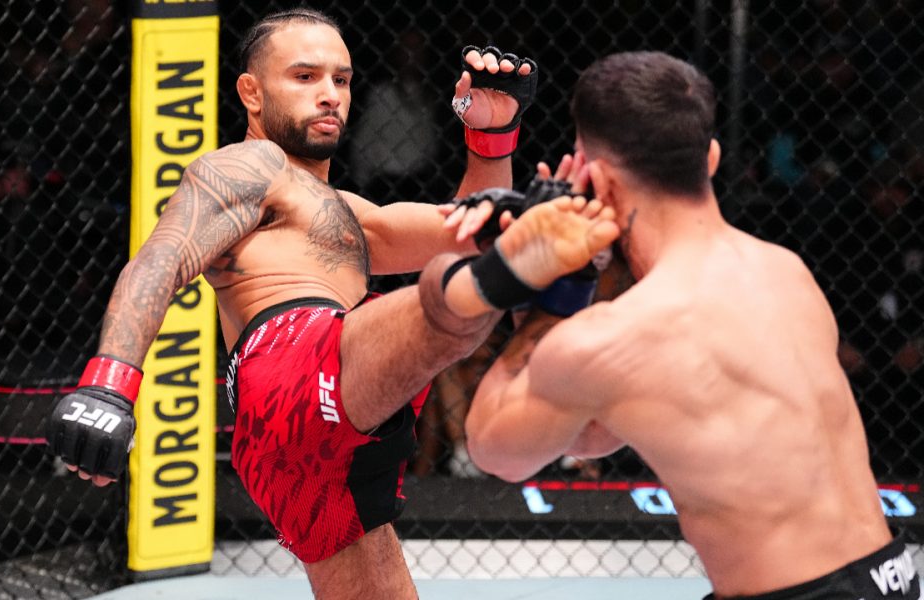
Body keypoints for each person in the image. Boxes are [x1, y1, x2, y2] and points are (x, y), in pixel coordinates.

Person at [41, 8, 600, 600]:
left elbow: (467, 227)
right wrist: (109, 383)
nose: (330, 94)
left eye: (342, 79)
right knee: (456, 294)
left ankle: (512, 278)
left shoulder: (348, 214)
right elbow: (160, 260)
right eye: (305, 77)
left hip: (319, 444)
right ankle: (525, 286)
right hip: (295, 370)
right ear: (251, 93)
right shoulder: (245, 166)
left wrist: (490, 138)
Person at [452, 51, 922, 599]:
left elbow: (494, 448)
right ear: (713, 158)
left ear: (597, 182)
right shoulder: (785, 273)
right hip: (893, 577)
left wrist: (554, 289)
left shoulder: (618, 337)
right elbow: (592, 425)